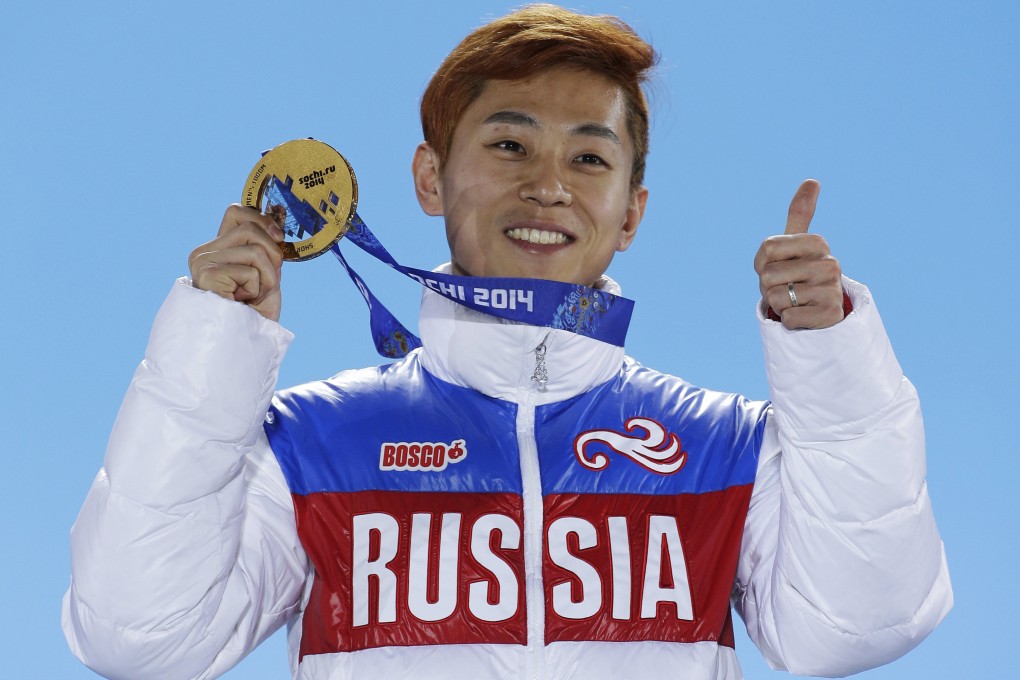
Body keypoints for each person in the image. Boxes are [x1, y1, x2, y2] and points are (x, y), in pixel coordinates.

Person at [62, 5, 952, 679]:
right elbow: (139, 635)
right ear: (428, 177)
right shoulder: (312, 446)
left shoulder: (722, 448)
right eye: (509, 143)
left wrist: (829, 357)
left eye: (590, 159)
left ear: (632, 213)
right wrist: (215, 348)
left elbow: (857, 621)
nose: (549, 186)